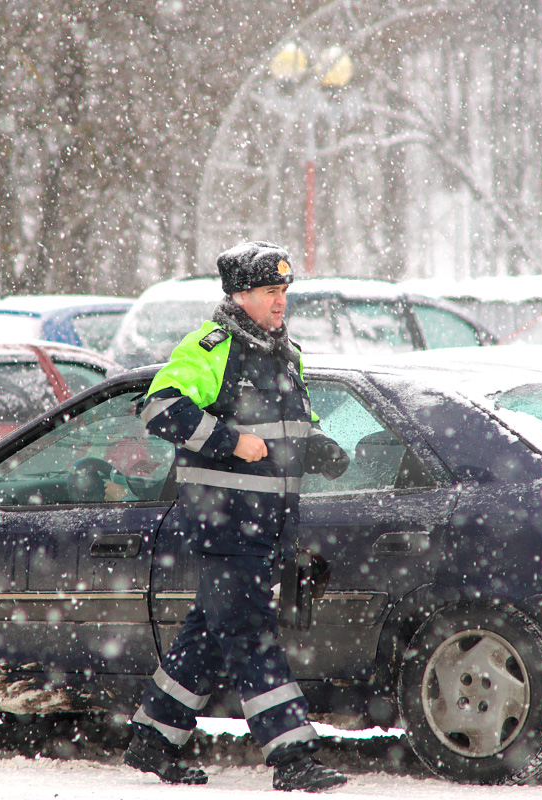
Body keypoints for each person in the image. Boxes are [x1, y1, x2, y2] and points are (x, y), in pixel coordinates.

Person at [123, 241, 351, 792]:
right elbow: (158, 406)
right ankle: (293, 757)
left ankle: (153, 739)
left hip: (267, 524)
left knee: (208, 632)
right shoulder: (213, 346)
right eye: (271, 292)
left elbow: (288, 427)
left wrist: (318, 446)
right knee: (250, 635)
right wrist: (228, 440)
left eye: (284, 291)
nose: (281, 302)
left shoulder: (283, 351)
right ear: (239, 295)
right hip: (226, 524)